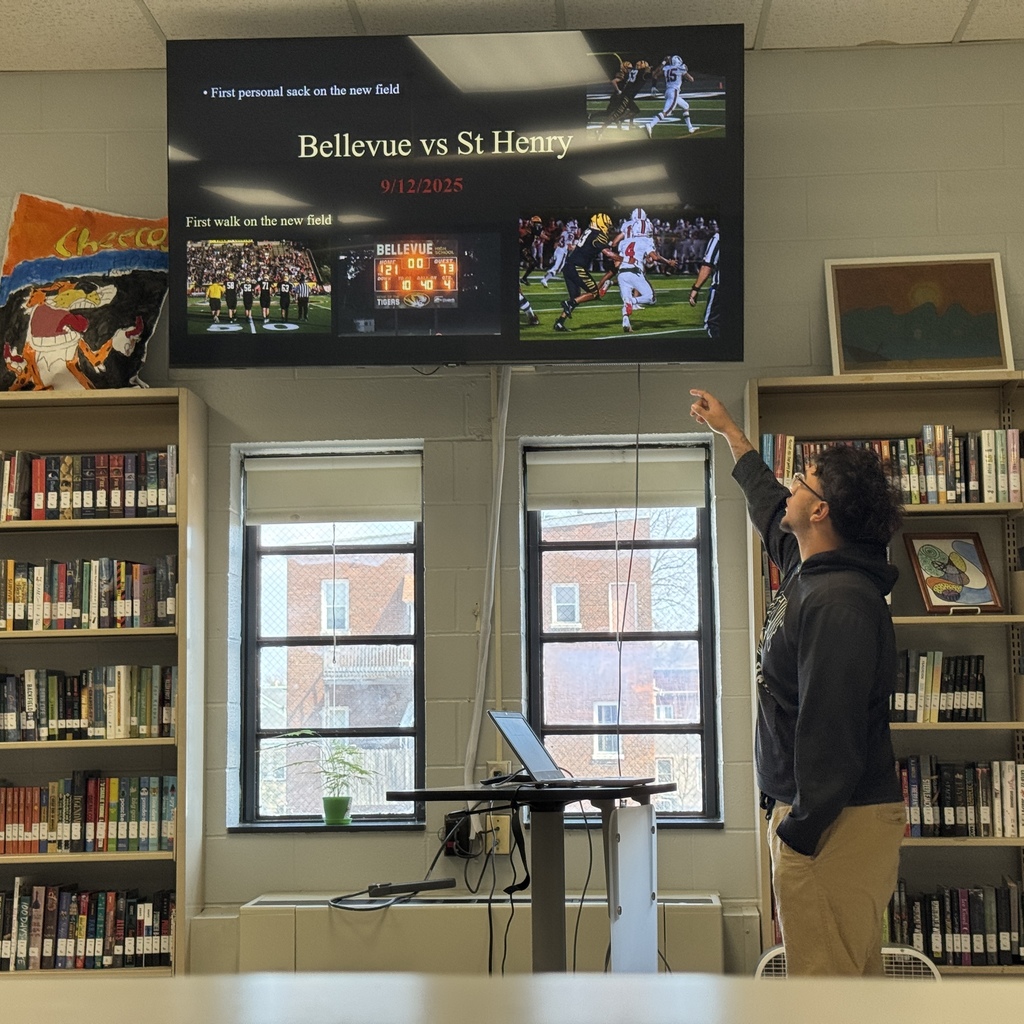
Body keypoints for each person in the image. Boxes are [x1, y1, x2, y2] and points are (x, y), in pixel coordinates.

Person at [688, 388, 906, 977]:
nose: (791, 488)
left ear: (821, 511)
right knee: (847, 994)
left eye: (803, 481)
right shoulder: (815, 569)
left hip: (833, 827)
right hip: (828, 821)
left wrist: (798, 833)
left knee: (824, 1000)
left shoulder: (839, 601)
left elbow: (830, 729)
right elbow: (768, 510)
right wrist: (732, 435)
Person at [552, 212, 612, 332]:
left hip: (568, 266)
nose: (608, 227)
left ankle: (559, 322)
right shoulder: (597, 234)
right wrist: (623, 259)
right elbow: (607, 253)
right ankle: (568, 303)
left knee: (576, 297)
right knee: (595, 293)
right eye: (606, 224)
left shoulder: (588, 231)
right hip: (577, 267)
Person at [647, 55, 696, 136]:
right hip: (674, 92)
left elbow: (655, 74)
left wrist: (664, 62)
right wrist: (684, 74)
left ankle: (690, 127)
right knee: (667, 112)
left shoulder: (667, 68)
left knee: (685, 106)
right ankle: (650, 125)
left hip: (668, 91)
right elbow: (691, 79)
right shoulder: (681, 68)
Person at [688, 228, 720, 338]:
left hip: (720, 289)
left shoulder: (718, 238)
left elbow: (707, 266)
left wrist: (695, 289)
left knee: (712, 324)